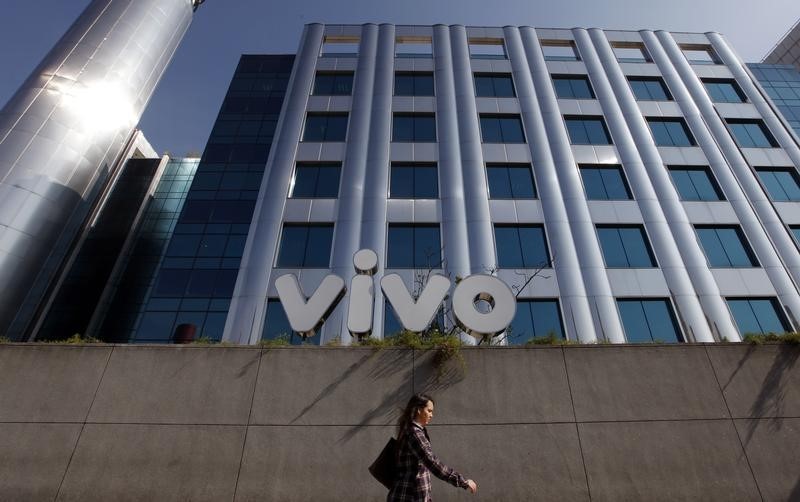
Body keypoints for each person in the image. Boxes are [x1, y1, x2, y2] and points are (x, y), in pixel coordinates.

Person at [388, 394, 478, 501]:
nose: (432, 415)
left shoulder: (411, 430)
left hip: (412, 494)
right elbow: (432, 462)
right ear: (419, 410)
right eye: (429, 411)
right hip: (409, 496)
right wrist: (462, 481)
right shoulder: (415, 433)